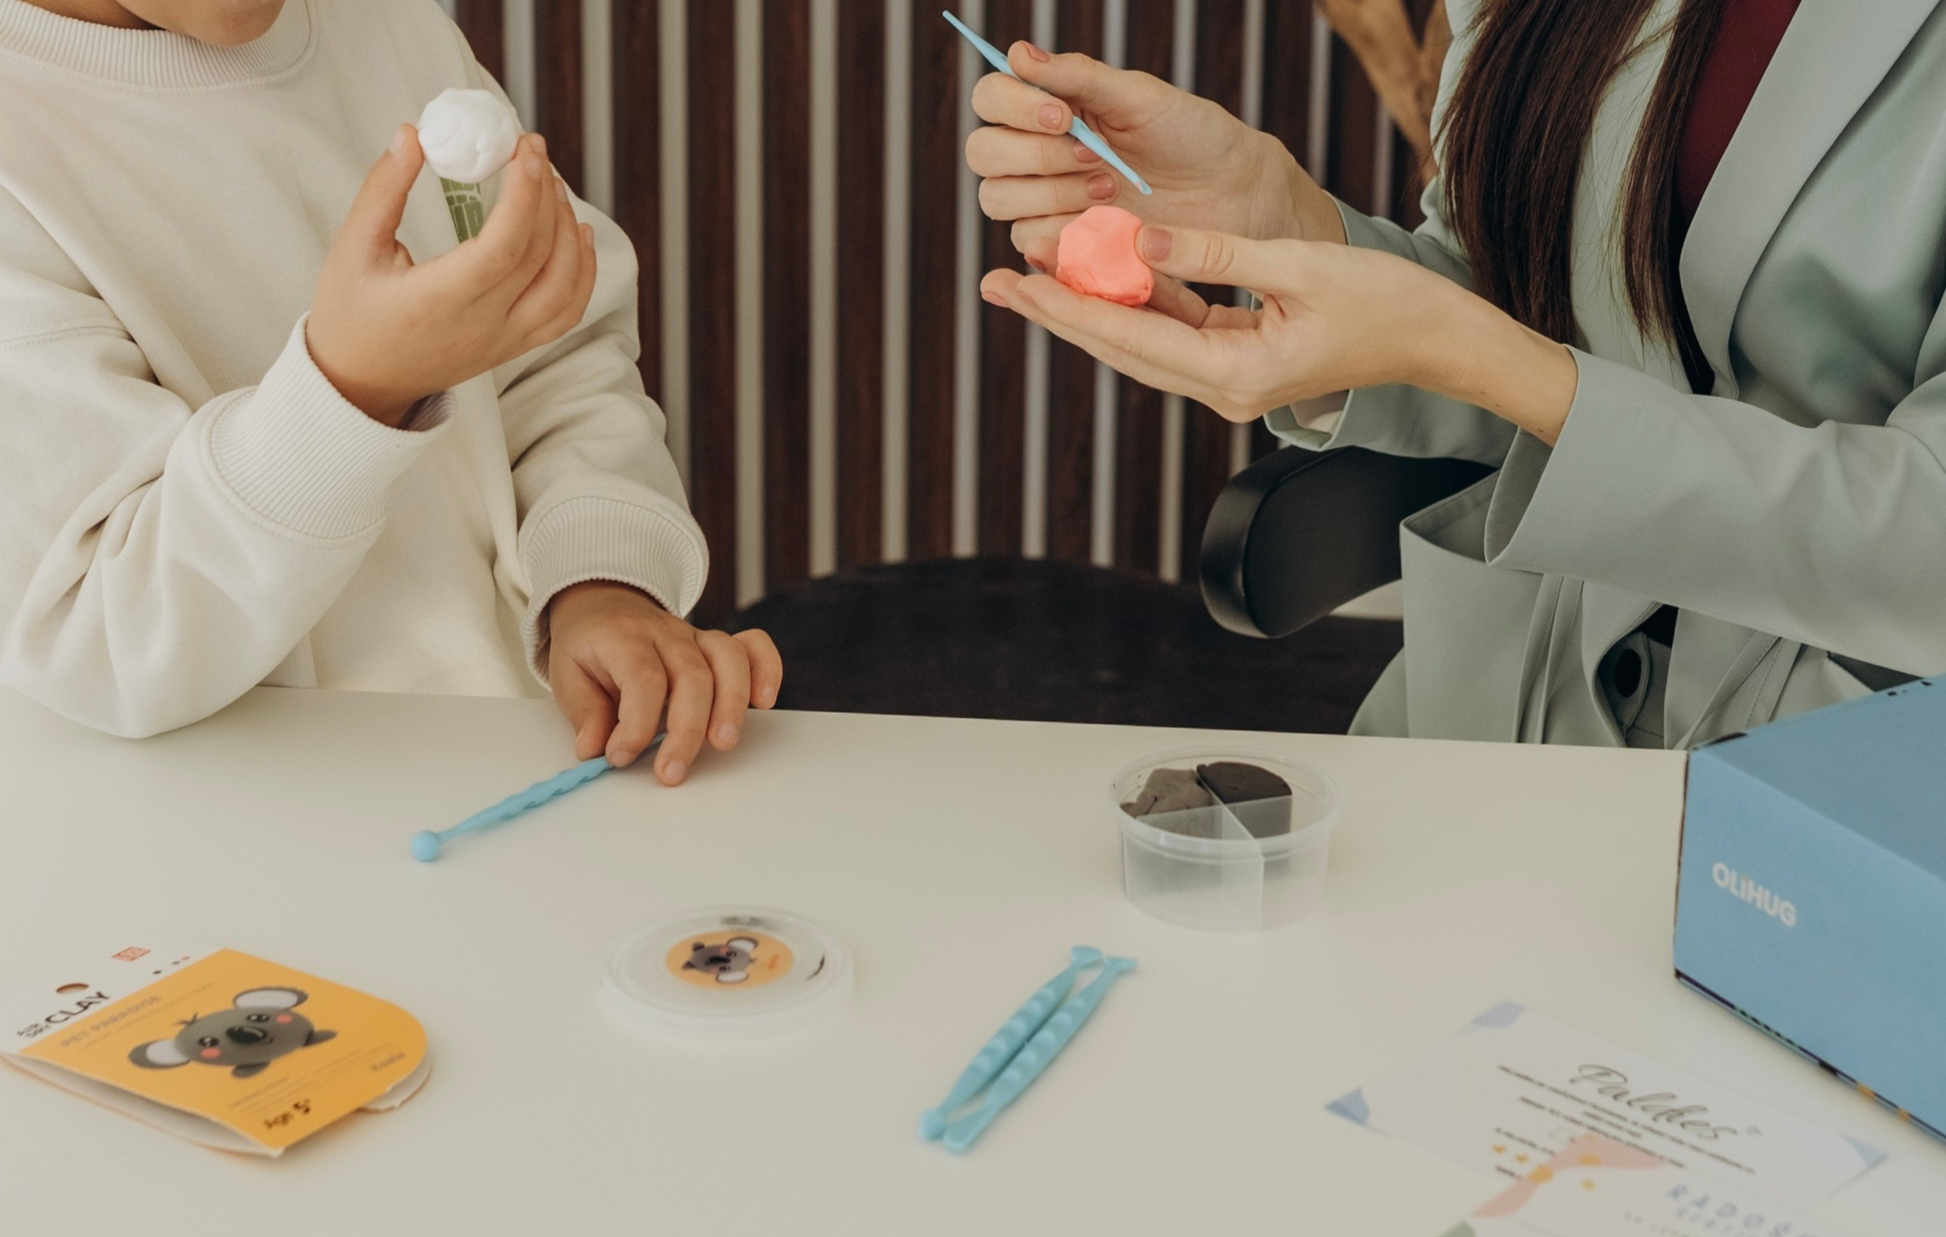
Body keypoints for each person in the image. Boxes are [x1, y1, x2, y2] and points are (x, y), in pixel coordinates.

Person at [966, 2, 1946, 747]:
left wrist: (1475, 354)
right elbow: (1519, 294)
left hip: (1840, 785)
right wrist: (1285, 223)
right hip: (1490, 726)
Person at [0, 0, 780, 784]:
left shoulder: (385, 27)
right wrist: (352, 389)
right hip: (245, 850)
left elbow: (553, 359)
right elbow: (99, 633)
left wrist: (599, 582)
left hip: (531, 778)